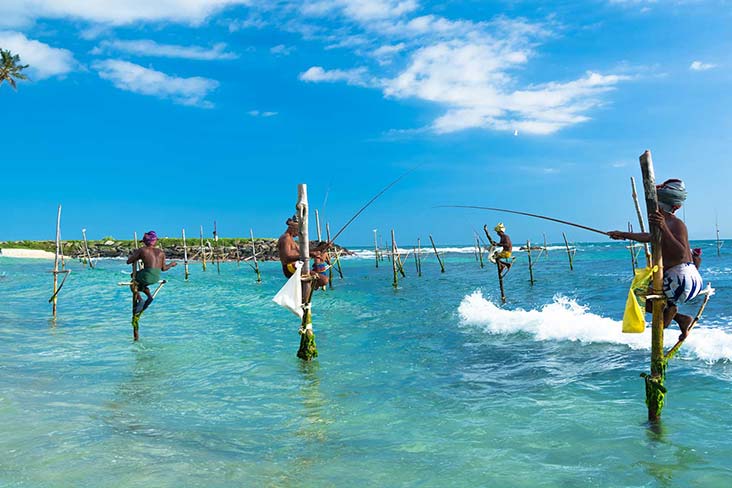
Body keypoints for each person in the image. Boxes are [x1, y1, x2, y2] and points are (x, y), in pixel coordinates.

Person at [608, 179, 703, 340]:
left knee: (641, 295)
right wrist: (623, 234)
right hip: (684, 280)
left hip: (680, 279)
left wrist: (663, 227)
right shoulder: (666, 223)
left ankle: (672, 313)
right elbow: (650, 237)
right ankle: (681, 318)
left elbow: (680, 254)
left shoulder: (675, 223)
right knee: (650, 296)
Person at [126, 231, 177, 315]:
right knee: (143, 283)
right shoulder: (161, 252)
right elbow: (164, 268)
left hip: (146, 276)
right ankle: (149, 297)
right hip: (156, 277)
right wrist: (171, 264)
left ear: (145, 242)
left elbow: (129, 261)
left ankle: (140, 299)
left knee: (133, 282)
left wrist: (135, 254)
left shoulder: (142, 250)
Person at [277, 215, 330, 287]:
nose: (299, 233)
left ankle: (305, 291)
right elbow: (285, 259)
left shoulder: (291, 239)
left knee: (321, 279)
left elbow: (305, 252)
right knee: (324, 280)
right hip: (290, 268)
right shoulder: (285, 238)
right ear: (293, 227)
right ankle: (306, 293)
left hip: (296, 267)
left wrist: (321, 248)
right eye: (298, 230)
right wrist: (306, 255)